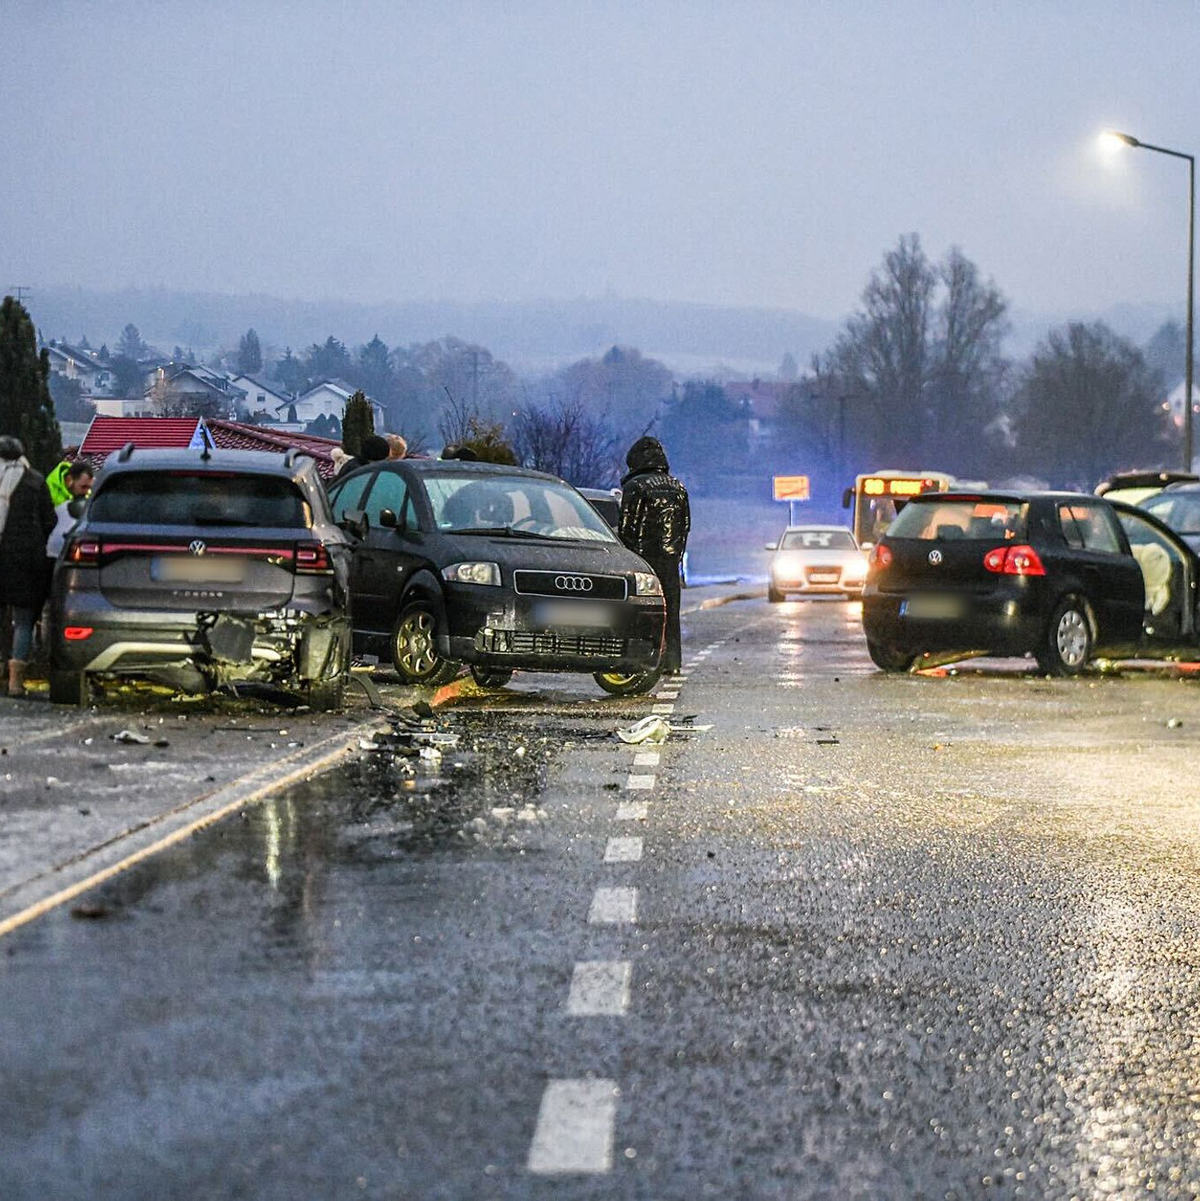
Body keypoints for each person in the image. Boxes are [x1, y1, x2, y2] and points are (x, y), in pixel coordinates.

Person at [618, 436, 690, 673]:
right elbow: (686, 525)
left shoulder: (635, 487)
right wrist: (677, 554)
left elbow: (628, 526)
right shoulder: (678, 487)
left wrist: (626, 554)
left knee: (641, 610)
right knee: (671, 611)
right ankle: (673, 662)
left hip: (643, 558)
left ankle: (643, 659)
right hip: (671, 558)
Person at [0, 437, 57, 697]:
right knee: (23, 621)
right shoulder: (34, 481)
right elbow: (50, 521)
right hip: (25, 562)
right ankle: (14, 682)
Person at [45, 459, 94, 561]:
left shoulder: (83, 494)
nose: (86, 492)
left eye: (89, 488)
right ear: (69, 480)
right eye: (83, 487)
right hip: (51, 554)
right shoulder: (49, 489)